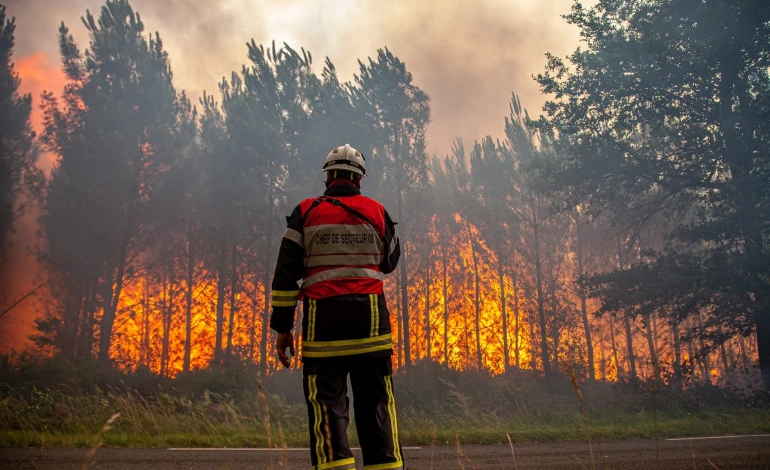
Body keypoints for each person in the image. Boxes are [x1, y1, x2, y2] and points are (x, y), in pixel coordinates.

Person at [269, 144, 403, 470]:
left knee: (327, 412)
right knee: (377, 408)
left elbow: (285, 277)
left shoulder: (305, 212)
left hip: (323, 331)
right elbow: (390, 263)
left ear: (328, 177)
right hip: (371, 328)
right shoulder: (377, 211)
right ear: (359, 179)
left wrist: (283, 329)